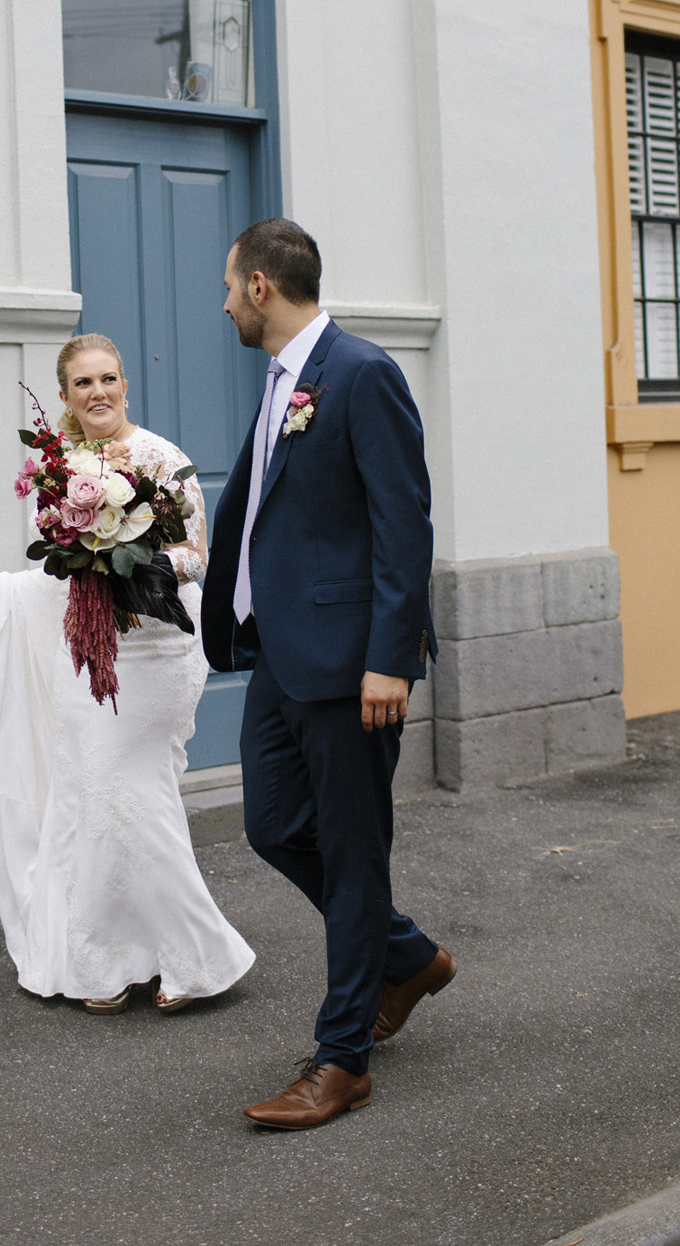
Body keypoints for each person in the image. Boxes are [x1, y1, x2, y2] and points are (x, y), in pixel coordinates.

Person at [202, 218, 455, 1129]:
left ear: (262, 286)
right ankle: (408, 954)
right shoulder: (280, 382)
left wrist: (391, 658)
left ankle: (341, 1058)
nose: (223, 299)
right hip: (277, 656)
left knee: (352, 858)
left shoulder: (360, 374)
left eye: (230, 284)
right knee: (272, 827)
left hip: (352, 668)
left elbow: (404, 522)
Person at [0, 333, 254, 1015]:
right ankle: (110, 959)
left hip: (153, 654)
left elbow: (195, 555)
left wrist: (130, 559)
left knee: (133, 799)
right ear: (62, 395)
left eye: (109, 379)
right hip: (86, 653)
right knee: (93, 799)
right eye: (83, 382)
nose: (98, 392)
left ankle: (203, 958)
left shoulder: (160, 458)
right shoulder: (56, 471)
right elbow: (56, 575)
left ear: (124, 385)